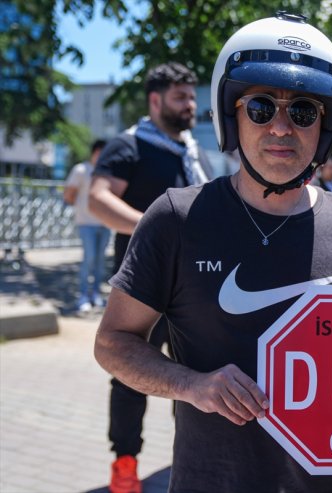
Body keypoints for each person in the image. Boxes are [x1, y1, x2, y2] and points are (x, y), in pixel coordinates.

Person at [93, 13, 332, 493]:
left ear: (325, 125)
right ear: (232, 117)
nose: (282, 128)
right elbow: (113, 343)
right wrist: (192, 385)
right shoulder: (177, 218)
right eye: (261, 108)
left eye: (303, 111)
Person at [89, 62, 213, 493]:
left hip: (193, 289)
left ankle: (194, 460)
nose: (190, 105)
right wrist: (155, 228)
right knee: (130, 376)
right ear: (155, 100)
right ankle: (124, 465)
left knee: (195, 377)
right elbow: (98, 199)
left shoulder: (191, 152)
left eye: (192, 96)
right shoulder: (130, 145)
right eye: (180, 97)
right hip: (143, 288)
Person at [63, 139, 111, 312]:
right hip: (86, 223)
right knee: (89, 259)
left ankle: (95, 294)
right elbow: (68, 194)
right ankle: (83, 295)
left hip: (105, 223)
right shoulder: (81, 170)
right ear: (94, 152)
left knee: (100, 261)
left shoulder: (108, 172)